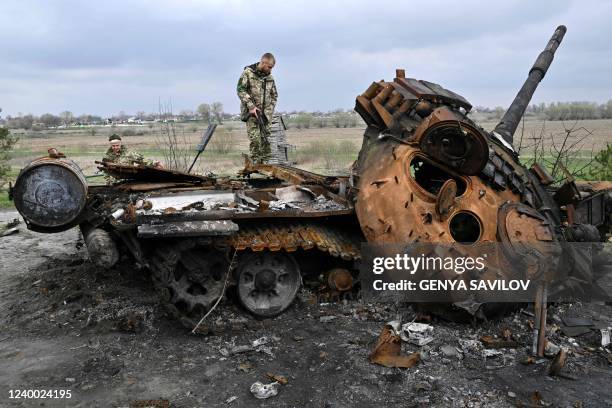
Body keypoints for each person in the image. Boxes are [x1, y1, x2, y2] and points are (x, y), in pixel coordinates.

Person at [237, 52, 278, 163]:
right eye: (269, 67)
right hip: (252, 115)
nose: (270, 70)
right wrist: (251, 106)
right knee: (255, 141)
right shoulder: (248, 73)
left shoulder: (270, 77)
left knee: (266, 141)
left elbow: (274, 95)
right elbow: (240, 90)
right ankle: (256, 166)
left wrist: (269, 111)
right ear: (263, 63)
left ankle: (265, 167)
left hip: (265, 116)